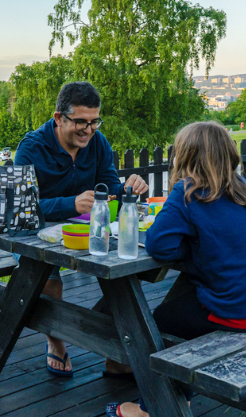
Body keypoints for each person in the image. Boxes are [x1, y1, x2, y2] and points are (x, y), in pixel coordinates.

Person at [106, 121, 246, 417]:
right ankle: (176, 388)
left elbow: (158, 245)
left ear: (183, 156)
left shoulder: (187, 192)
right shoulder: (242, 187)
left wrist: (192, 246)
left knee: (159, 321)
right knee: (189, 306)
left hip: (244, 312)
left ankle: (151, 407)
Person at [14, 81, 149, 378]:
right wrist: (70, 204)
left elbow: (110, 186)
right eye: (80, 122)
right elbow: (21, 209)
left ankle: (116, 351)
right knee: (45, 275)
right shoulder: (32, 148)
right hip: (35, 232)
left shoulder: (98, 143)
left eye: (94, 121)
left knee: (121, 269)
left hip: (84, 230)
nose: (88, 130)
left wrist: (128, 188)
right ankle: (56, 340)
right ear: (59, 118)